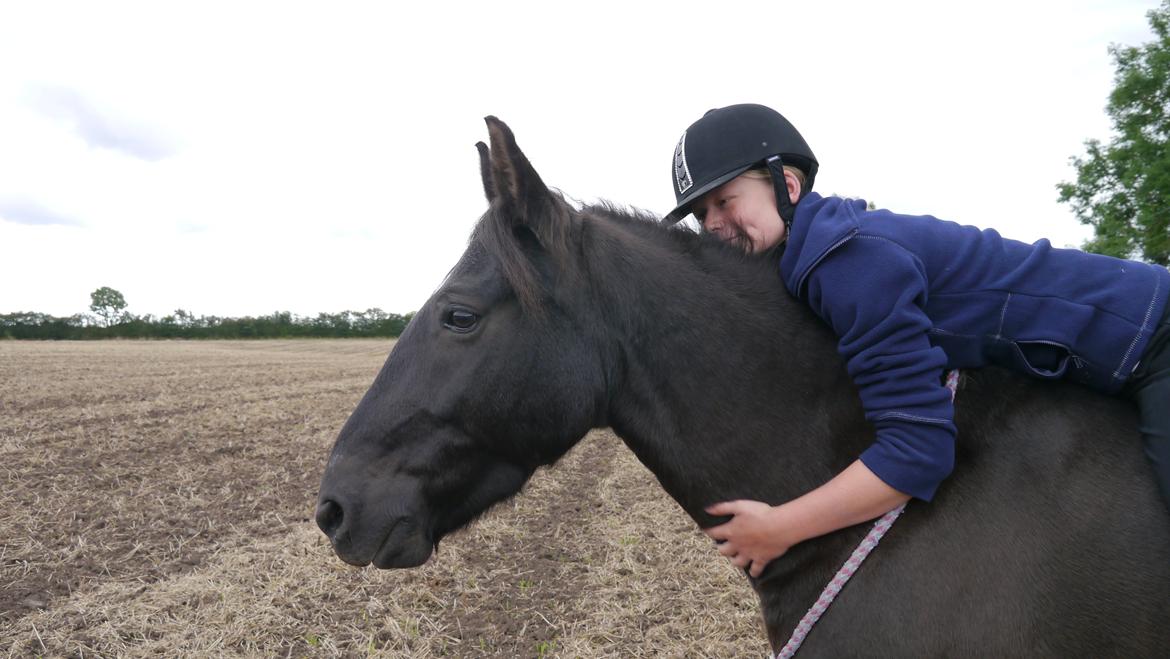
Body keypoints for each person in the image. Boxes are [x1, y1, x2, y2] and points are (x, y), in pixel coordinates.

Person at [664, 103, 1170, 578]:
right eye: (701, 213)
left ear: (787, 186)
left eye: (725, 200)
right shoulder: (819, 256)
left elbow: (919, 447)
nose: (712, 225)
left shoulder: (846, 263)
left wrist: (781, 528)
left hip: (1155, 337)